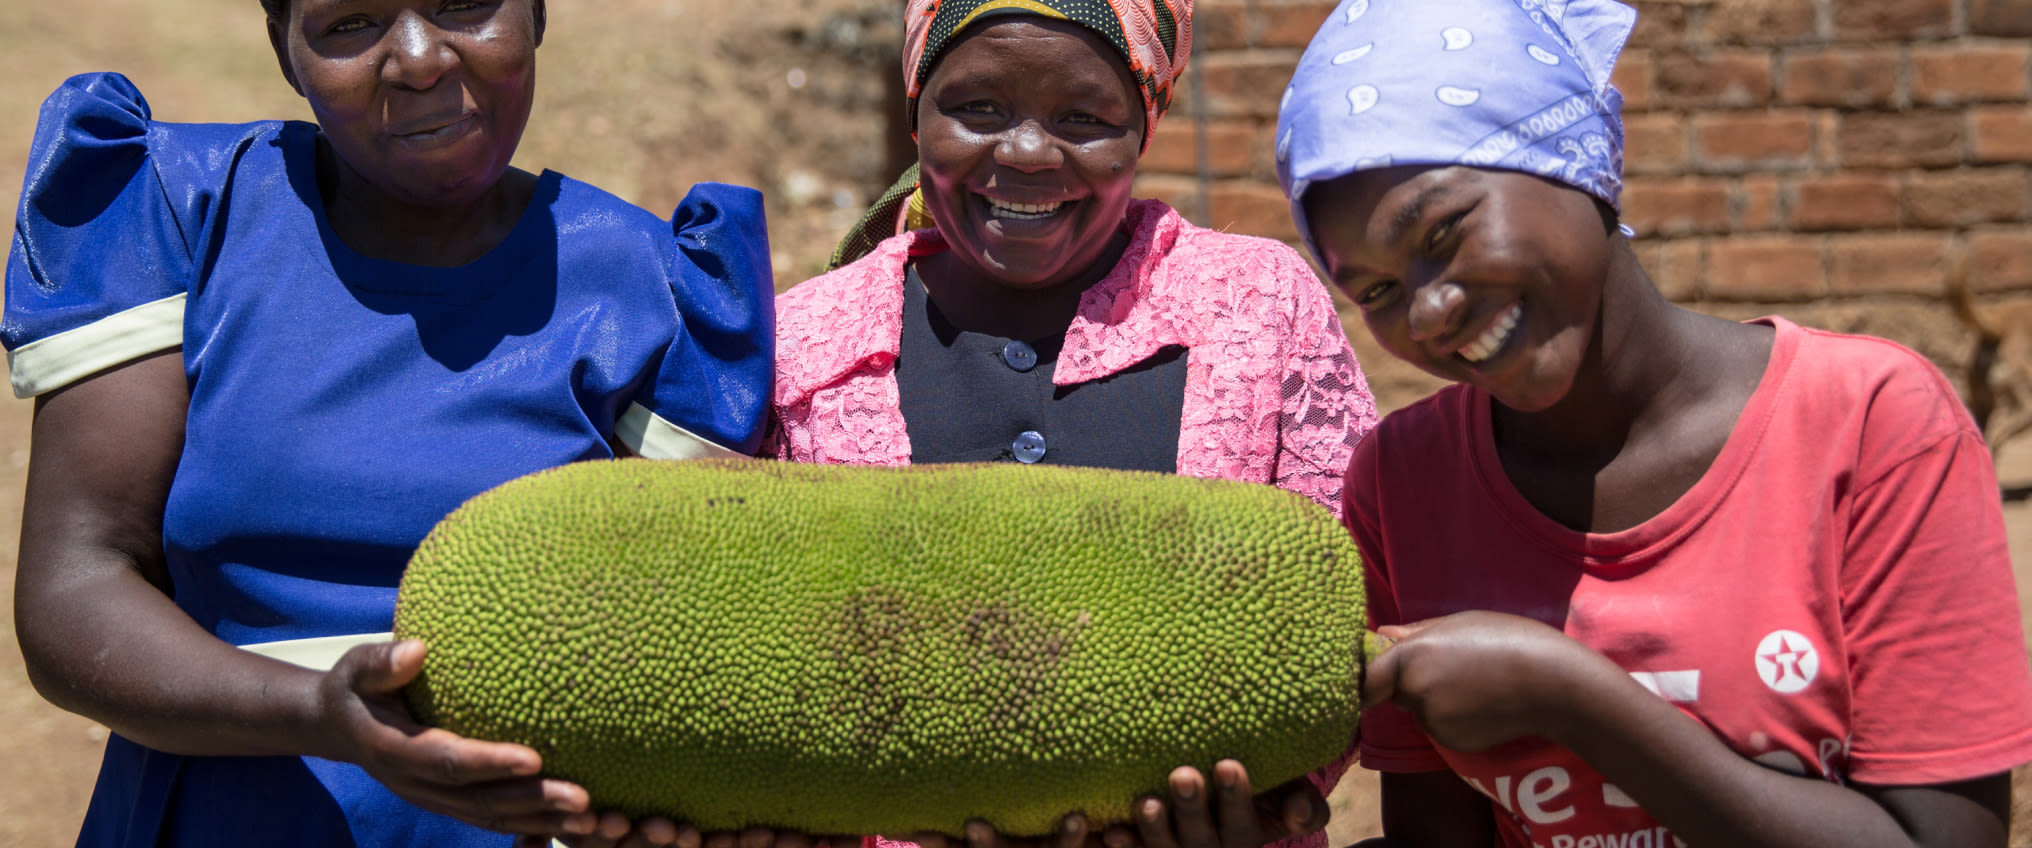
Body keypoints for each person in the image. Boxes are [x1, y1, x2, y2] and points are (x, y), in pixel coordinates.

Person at [5, 1, 774, 845]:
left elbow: (695, 646)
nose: (416, 59)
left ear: (538, 13)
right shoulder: (186, 212)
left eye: (464, 3)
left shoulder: (651, 292)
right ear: (284, 49)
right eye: (350, 22)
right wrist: (318, 713)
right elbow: (75, 588)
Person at [1273, 0, 2032, 845]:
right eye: (1375, 291)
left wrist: (1573, 697)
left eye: (1446, 233)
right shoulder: (1404, 484)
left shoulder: (1871, 426)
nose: (1429, 312)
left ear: (1570, 162)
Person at [756, 1, 1375, 846]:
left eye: (1083, 118)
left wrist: (1268, 791)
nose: (1025, 153)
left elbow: (1351, 594)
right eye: (977, 107)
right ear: (914, 114)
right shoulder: (803, 345)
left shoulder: (1259, 306)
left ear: (1143, 128)